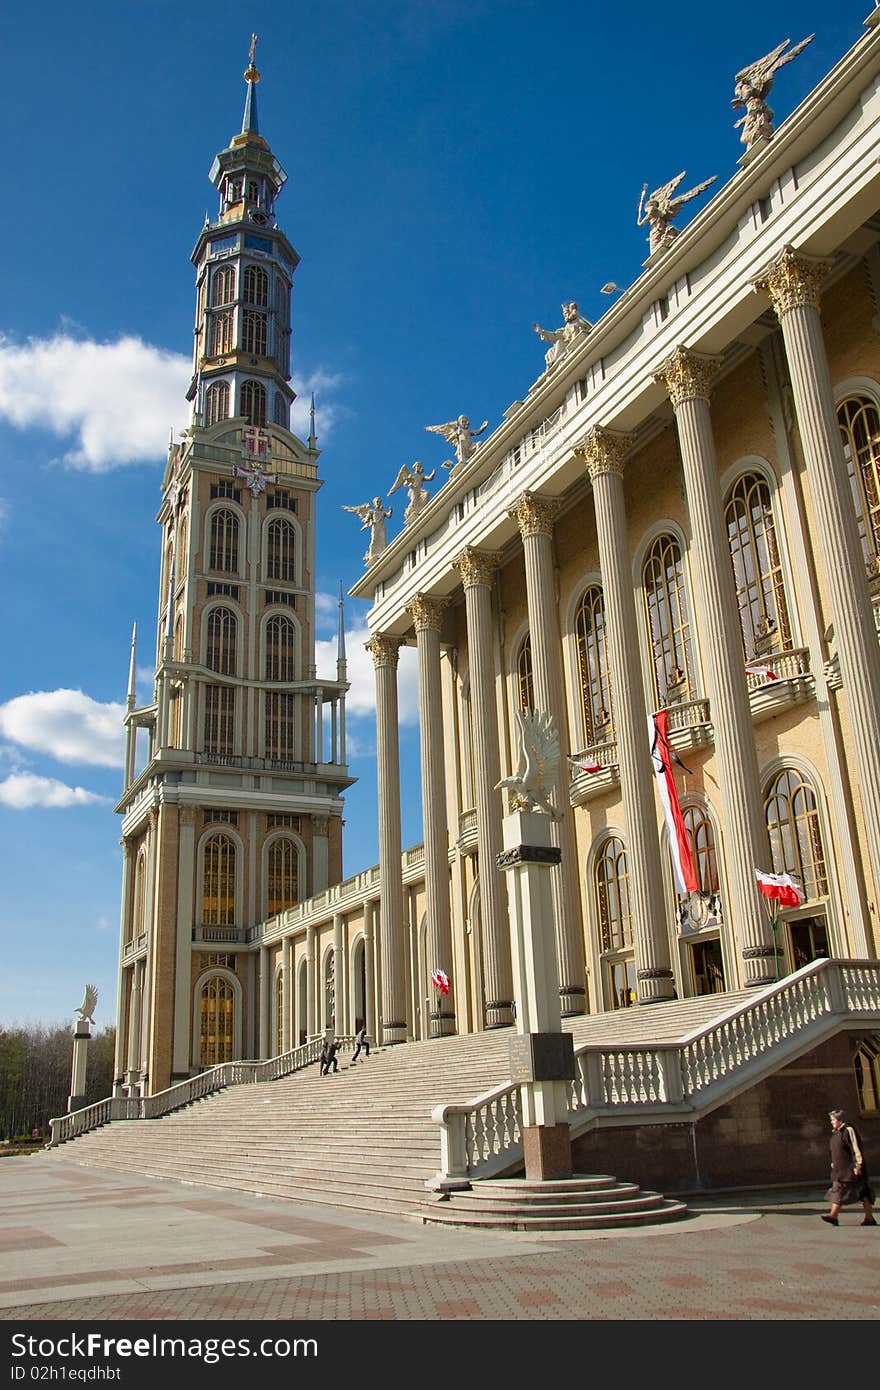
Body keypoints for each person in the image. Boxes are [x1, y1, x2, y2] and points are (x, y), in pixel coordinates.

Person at [821, 1108, 876, 1226]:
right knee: (860, 1192)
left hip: (850, 1169)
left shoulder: (848, 1130)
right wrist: (833, 1162)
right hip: (840, 1169)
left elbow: (855, 1148)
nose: (831, 1122)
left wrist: (858, 1165)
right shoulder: (836, 1132)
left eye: (833, 1120)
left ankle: (833, 1215)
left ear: (840, 1120)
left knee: (843, 1190)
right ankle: (869, 1218)